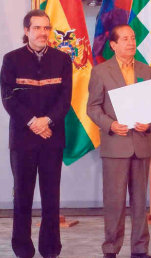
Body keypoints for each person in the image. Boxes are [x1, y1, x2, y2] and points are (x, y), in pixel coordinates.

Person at [1, 9, 72, 258]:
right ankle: (22, 249)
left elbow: (65, 100)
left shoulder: (63, 60)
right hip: (23, 140)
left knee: (51, 198)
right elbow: (8, 98)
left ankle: (50, 249)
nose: (43, 33)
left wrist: (47, 122)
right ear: (26, 31)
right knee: (22, 197)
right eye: (37, 28)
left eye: (46, 28)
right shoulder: (11, 60)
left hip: (52, 139)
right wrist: (33, 122)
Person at [87, 24, 151, 258]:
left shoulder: (148, 71)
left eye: (133, 38)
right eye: (125, 39)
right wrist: (110, 124)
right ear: (114, 45)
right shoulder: (101, 71)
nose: (131, 42)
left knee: (140, 203)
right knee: (115, 202)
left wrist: (150, 124)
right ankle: (111, 250)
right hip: (115, 144)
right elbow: (93, 107)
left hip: (141, 144)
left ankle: (140, 250)